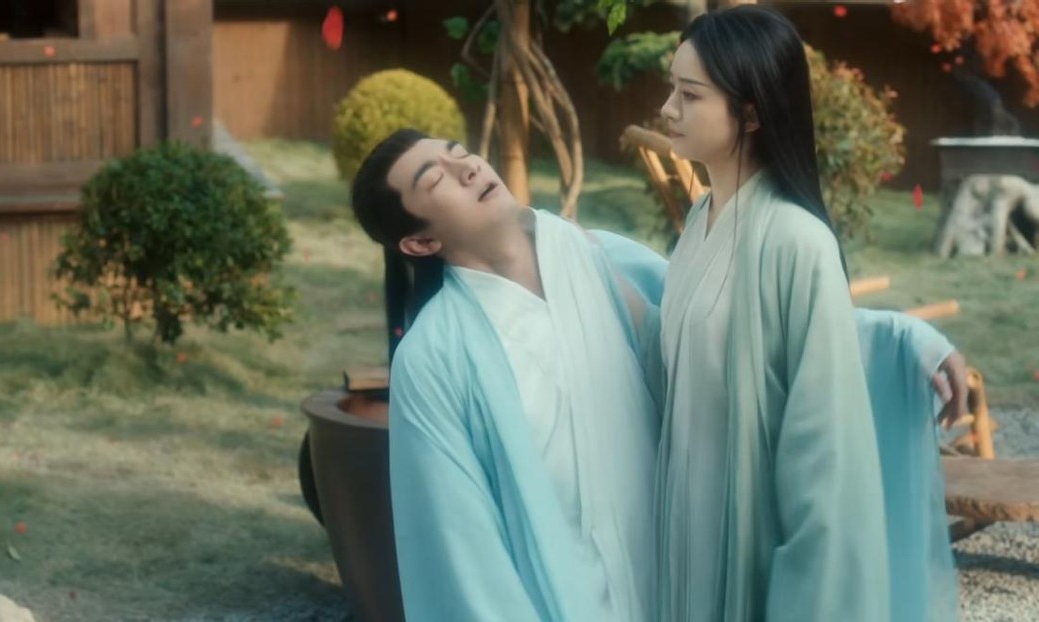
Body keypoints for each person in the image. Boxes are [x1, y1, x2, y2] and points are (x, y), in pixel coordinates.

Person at [349, 125, 962, 619]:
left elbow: (744, 335)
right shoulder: (434, 359)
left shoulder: (597, 258)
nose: (466, 168)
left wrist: (903, 342)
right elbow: (463, 552)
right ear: (419, 244)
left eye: (459, 153)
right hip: (562, 597)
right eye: (437, 179)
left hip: (681, 578)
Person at [651, 6, 959, 620]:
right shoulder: (700, 222)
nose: (667, 109)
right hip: (688, 530)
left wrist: (907, 340)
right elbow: (734, 333)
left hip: (751, 536)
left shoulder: (797, 240)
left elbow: (823, 440)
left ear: (751, 113)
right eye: (671, 89)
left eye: (689, 94)